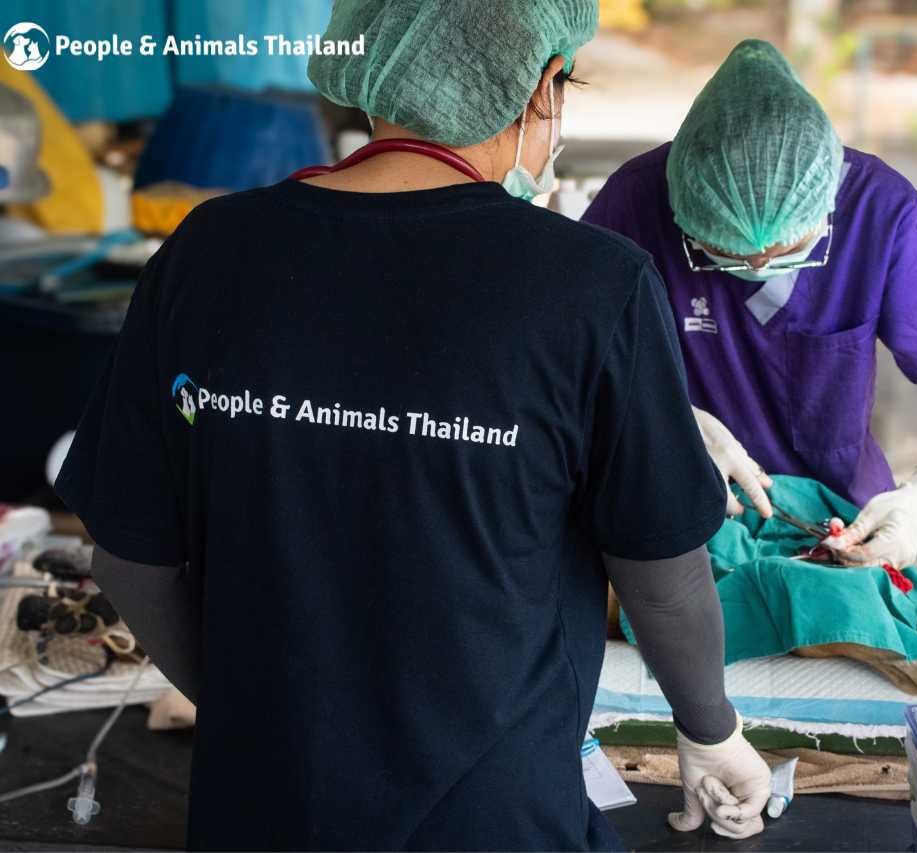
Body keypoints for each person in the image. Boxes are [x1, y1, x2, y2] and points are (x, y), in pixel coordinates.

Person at [54, 2, 769, 849]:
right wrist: (711, 728)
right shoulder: (592, 284)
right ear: (543, 85)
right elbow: (661, 577)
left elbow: (130, 554)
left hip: (264, 814)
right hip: (496, 821)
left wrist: (257, 712)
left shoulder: (208, 251)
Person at [582, 39, 917, 570]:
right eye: (722, 255)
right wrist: (670, 424)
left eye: (783, 254)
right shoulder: (634, 203)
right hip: (677, 516)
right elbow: (560, 369)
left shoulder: (881, 213)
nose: (755, 271)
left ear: (825, 210)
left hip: (843, 519)